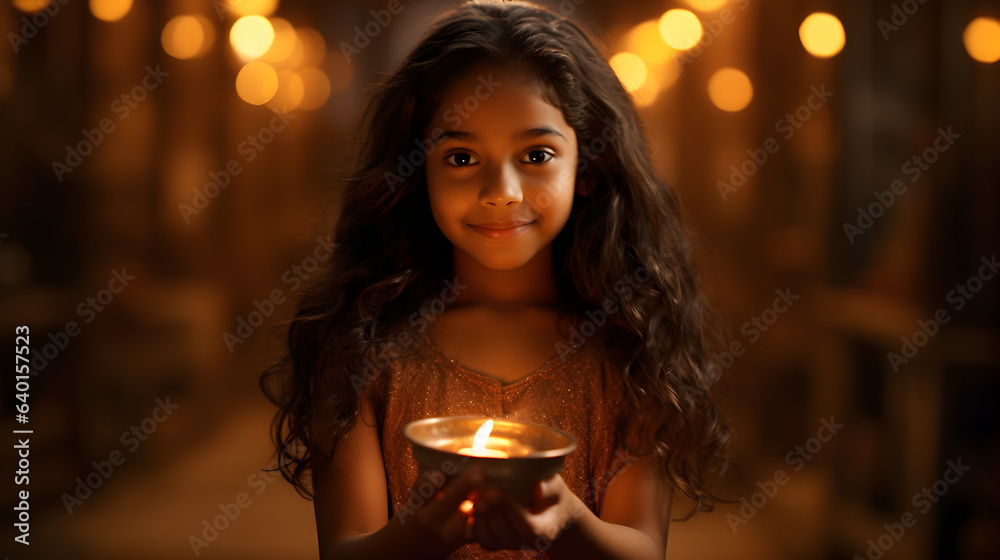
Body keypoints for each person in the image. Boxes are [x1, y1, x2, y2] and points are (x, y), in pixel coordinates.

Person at [261, 1, 731, 558]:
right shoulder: (364, 347)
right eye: (461, 157)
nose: (500, 189)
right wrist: (431, 525)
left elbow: (643, 549)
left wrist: (568, 521)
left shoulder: (629, 348)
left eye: (536, 154)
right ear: (416, 174)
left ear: (588, 168)